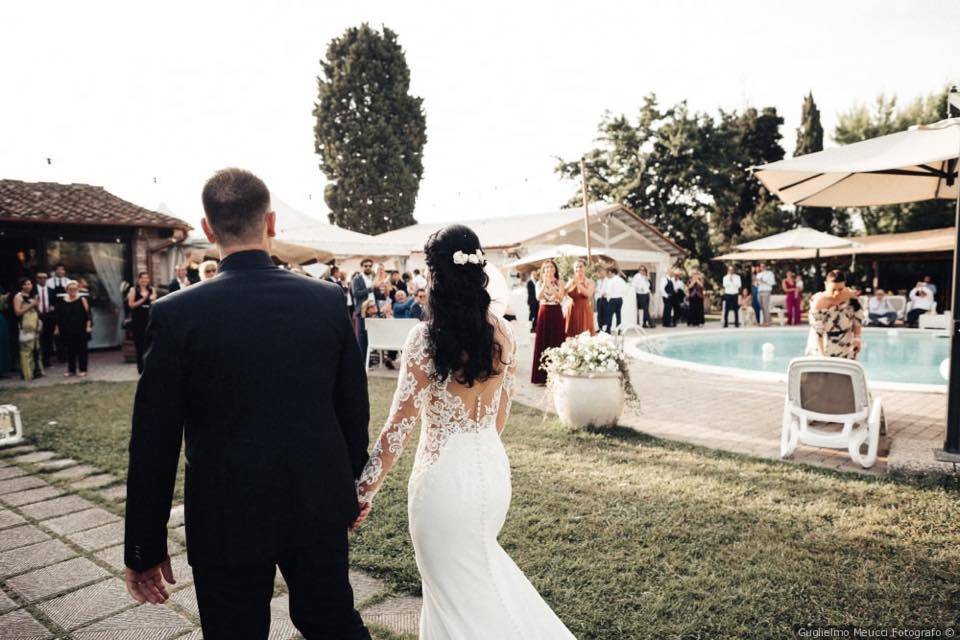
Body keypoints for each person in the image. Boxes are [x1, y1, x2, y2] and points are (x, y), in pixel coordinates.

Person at [123, 168, 371, 640]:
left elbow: (153, 442)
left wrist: (144, 546)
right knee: (334, 624)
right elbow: (352, 412)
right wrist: (350, 490)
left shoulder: (177, 314)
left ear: (208, 228)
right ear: (272, 222)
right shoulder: (325, 300)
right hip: (314, 502)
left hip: (225, 514)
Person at [353, 224, 576, 639]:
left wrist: (361, 494)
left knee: (451, 595)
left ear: (435, 276)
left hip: (442, 485)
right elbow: (500, 415)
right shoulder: (503, 332)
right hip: (491, 474)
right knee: (475, 585)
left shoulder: (425, 339)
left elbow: (397, 430)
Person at [806, 270, 863, 360]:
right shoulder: (818, 301)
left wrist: (857, 338)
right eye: (833, 289)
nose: (836, 293)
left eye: (840, 289)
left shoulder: (852, 298)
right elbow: (818, 332)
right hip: (820, 346)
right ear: (826, 285)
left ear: (845, 284)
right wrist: (822, 356)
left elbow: (857, 321)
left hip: (845, 346)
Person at [530, 260, 564, 385]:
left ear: (555, 269)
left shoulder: (560, 282)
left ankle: (557, 376)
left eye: (551, 267)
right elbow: (538, 297)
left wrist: (551, 285)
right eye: (546, 267)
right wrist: (545, 283)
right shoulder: (539, 282)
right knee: (543, 342)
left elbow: (560, 297)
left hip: (556, 311)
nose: (549, 269)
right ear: (543, 270)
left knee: (556, 341)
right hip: (544, 312)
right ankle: (541, 377)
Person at [56, 280, 91, 377]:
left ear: (78, 289)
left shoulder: (82, 299)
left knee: (82, 349)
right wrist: (57, 328)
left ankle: (83, 369)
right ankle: (71, 370)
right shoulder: (62, 301)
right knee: (70, 350)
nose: (73, 291)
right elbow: (58, 316)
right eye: (70, 289)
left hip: (80, 328)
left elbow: (88, 315)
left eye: (75, 289)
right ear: (66, 290)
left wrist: (88, 326)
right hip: (67, 328)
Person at [126, 272, 157, 375]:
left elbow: (155, 303)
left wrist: (153, 299)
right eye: (142, 278)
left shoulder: (152, 289)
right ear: (139, 280)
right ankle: (141, 368)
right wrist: (144, 299)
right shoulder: (133, 290)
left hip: (149, 320)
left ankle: (150, 367)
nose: (144, 280)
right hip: (138, 321)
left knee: (150, 344)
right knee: (139, 345)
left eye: (146, 278)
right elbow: (131, 305)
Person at [13, 278, 42, 381]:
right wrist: (31, 305)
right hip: (25, 325)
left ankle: (36, 371)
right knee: (26, 349)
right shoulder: (18, 297)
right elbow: (17, 312)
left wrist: (36, 306)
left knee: (36, 348)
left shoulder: (32, 296)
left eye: (29, 284)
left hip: (34, 324)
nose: (28, 286)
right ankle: (27, 373)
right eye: (26, 284)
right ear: (22, 286)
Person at [564, 259, 595, 337]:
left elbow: (588, 294)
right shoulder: (570, 281)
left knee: (585, 335)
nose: (578, 269)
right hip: (572, 310)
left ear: (585, 268)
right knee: (571, 335)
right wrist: (570, 284)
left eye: (580, 266)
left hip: (584, 310)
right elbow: (563, 293)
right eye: (576, 267)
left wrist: (578, 284)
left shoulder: (590, 282)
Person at [34, 272, 56, 367]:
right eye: (40, 278)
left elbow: (55, 303)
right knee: (38, 339)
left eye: (44, 278)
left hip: (48, 316)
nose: (42, 279)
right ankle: (37, 361)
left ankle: (46, 361)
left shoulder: (51, 290)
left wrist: (53, 308)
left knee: (48, 339)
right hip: (37, 316)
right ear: (37, 279)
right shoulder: (33, 290)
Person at [49, 263, 69, 363]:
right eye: (58, 269)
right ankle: (59, 354)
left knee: (66, 332)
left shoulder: (69, 282)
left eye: (62, 269)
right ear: (55, 271)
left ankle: (66, 355)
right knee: (56, 333)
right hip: (55, 311)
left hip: (66, 310)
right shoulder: (50, 282)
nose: (60, 271)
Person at [597, 266, 627, 334]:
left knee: (609, 315)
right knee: (618, 315)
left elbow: (608, 291)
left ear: (611, 272)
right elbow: (625, 289)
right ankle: (619, 330)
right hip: (620, 299)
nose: (607, 275)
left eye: (608, 273)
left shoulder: (611, 280)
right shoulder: (621, 280)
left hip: (613, 300)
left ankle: (608, 330)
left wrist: (603, 294)